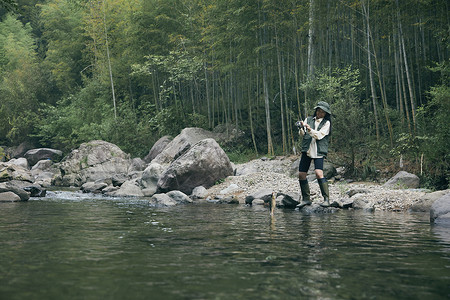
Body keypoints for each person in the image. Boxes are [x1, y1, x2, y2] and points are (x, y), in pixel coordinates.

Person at [296, 101, 332, 208]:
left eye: (322, 112)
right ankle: (306, 199)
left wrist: (310, 129)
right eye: (318, 111)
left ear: (326, 113)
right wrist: (301, 128)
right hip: (307, 149)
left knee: (318, 173)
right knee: (301, 174)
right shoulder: (308, 119)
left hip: (318, 150)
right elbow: (302, 134)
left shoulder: (327, 123)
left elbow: (319, 135)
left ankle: (326, 199)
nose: (319, 113)